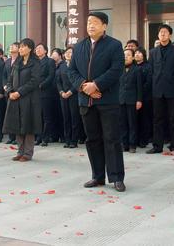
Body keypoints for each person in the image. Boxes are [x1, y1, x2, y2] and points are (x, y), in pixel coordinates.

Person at [69, 12, 126, 192]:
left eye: (95, 22)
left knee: (112, 139)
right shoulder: (79, 47)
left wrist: (97, 85)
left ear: (104, 26)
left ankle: (116, 177)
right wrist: (84, 86)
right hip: (86, 101)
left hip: (107, 100)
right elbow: (71, 71)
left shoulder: (114, 45)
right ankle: (98, 176)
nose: (91, 26)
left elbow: (116, 70)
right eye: (88, 23)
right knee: (92, 140)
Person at [147, 24, 174, 155]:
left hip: (172, 91)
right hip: (157, 91)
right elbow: (151, 71)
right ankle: (157, 146)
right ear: (158, 35)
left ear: (170, 35)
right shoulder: (153, 52)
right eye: (160, 32)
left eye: (165, 32)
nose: (162, 34)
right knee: (157, 119)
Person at [3, 38, 42, 162]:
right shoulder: (17, 63)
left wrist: (19, 92)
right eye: (19, 47)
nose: (20, 49)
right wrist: (9, 91)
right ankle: (20, 151)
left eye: (23, 47)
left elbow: (34, 81)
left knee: (28, 125)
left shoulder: (35, 63)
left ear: (30, 48)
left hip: (29, 99)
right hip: (14, 98)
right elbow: (9, 80)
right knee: (17, 125)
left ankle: (28, 153)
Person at [56, 46, 81, 148]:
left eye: (70, 52)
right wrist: (61, 92)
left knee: (74, 117)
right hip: (63, 95)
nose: (68, 54)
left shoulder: (78, 65)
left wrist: (70, 91)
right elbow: (58, 81)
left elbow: (79, 80)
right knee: (66, 118)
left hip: (74, 95)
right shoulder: (61, 66)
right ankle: (67, 139)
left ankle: (74, 140)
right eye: (66, 52)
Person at [119, 49, 142, 153]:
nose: (125, 57)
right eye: (124, 55)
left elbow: (139, 86)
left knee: (132, 123)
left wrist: (139, 100)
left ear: (133, 57)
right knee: (122, 123)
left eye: (128, 55)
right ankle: (125, 145)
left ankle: (132, 145)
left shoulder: (137, 69)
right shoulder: (119, 69)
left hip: (132, 100)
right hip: (121, 100)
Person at [35, 43, 58, 146]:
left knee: (46, 116)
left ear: (45, 51)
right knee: (38, 116)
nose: (37, 50)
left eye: (40, 48)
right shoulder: (34, 62)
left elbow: (51, 76)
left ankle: (45, 138)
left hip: (46, 92)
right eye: (36, 49)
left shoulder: (50, 61)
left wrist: (41, 85)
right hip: (35, 93)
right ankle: (38, 137)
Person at [134, 47, 152, 148]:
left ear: (144, 55)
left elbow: (148, 82)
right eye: (136, 53)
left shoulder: (148, 66)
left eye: (139, 53)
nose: (137, 54)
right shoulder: (131, 67)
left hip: (145, 97)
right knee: (134, 119)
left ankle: (143, 140)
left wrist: (139, 92)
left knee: (144, 119)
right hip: (132, 98)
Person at [3, 42, 19, 145]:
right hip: (8, 90)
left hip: (17, 90)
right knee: (9, 114)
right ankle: (11, 137)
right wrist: (5, 86)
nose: (11, 47)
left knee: (17, 115)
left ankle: (17, 137)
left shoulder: (21, 61)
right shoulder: (7, 61)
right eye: (11, 46)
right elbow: (4, 75)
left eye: (14, 46)